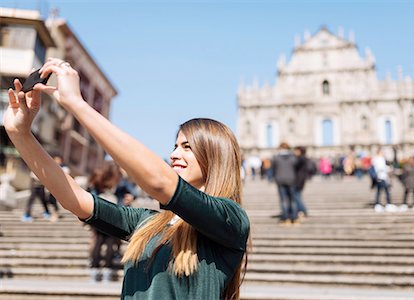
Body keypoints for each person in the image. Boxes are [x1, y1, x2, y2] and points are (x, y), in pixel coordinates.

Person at [4, 58, 250, 300]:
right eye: (175, 146)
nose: (174, 155)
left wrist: (77, 104)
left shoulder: (231, 220)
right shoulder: (148, 224)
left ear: (214, 156)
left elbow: (160, 182)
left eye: (187, 147)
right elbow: (75, 199)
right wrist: (20, 135)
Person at [87, 161, 122, 282]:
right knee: (109, 245)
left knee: (98, 243)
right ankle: (106, 269)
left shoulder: (97, 183)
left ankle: (94, 270)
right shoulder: (115, 185)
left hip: (99, 217)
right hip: (112, 219)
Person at [271, 142, 299, 225]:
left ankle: (286, 217)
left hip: (280, 180)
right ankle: (294, 217)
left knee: (283, 200)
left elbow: (273, 168)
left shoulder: (276, 157)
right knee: (292, 199)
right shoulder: (293, 157)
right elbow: (296, 167)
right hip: (291, 179)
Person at [293, 146, 310, 219]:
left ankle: (303, 211)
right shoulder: (303, 159)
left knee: (297, 197)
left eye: (296, 151)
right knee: (297, 196)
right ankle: (299, 211)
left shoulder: (300, 159)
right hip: (300, 180)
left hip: (298, 180)